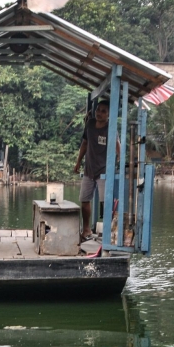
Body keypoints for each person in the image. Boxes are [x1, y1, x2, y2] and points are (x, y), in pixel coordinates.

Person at [73, 99, 120, 241]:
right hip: (89, 169)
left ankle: (108, 232)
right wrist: (78, 162)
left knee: (105, 202)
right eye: (98, 110)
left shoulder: (111, 128)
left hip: (104, 170)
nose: (99, 113)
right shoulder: (90, 124)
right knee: (84, 199)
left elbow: (118, 147)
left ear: (109, 115)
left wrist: (118, 162)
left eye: (103, 111)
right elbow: (85, 143)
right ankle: (86, 229)